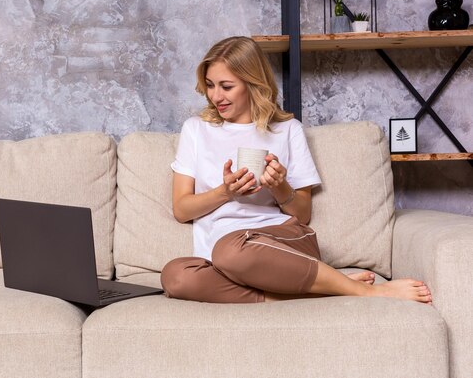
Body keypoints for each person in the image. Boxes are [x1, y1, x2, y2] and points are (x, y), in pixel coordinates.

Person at [160, 36, 432, 304]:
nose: (215, 96)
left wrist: (279, 186)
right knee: (176, 277)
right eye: (209, 85)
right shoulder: (196, 129)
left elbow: (302, 214)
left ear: (253, 83)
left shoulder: (288, 130)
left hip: (282, 242)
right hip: (220, 258)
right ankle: (305, 290)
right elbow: (182, 210)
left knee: (230, 252)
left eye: (226, 86)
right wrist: (225, 192)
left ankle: (368, 292)